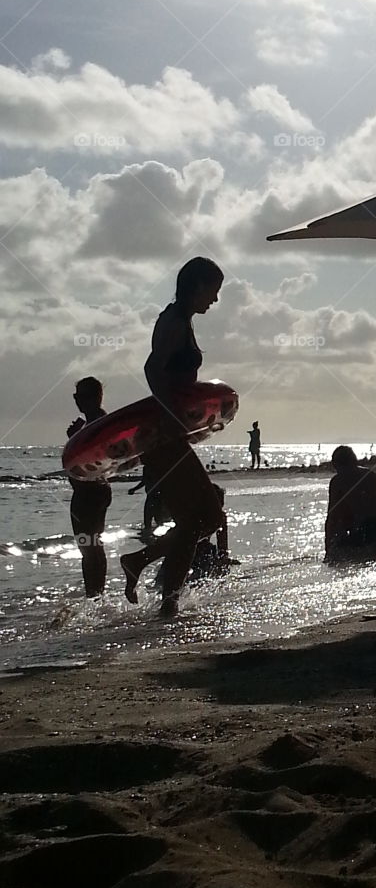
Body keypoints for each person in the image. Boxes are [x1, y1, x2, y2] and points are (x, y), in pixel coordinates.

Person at [120, 257, 226, 618]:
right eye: (213, 291)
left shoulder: (181, 320)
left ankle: (166, 599)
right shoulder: (173, 322)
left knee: (198, 521)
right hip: (163, 435)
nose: (214, 299)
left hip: (168, 432)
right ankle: (147, 571)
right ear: (196, 285)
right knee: (208, 517)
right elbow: (152, 369)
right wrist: (170, 417)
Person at [65, 377, 111, 598]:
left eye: (81, 397)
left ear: (96, 397)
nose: (77, 402)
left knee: (90, 546)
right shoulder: (92, 422)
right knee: (90, 546)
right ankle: (94, 593)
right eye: (75, 397)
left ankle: (95, 593)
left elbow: (94, 457)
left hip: (91, 491)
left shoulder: (98, 422)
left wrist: (74, 437)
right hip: (87, 490)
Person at [325, 446, 376, 560]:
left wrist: (328, 549)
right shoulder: (371, 475)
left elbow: (332, 517)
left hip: (375, 527)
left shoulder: (338, 481)